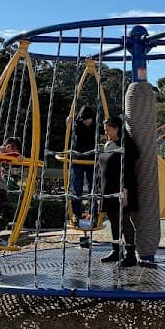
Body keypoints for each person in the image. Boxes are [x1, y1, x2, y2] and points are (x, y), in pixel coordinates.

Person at [98, 116, 139, 268]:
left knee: (124, 219)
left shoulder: (126, 144)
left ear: (116, 128)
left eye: (108, 129)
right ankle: (116, 250)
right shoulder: (108, 144)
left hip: (123, 188)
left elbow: (128, 169)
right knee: (113, 220)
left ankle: (130, 255)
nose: (106, 132)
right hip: (108, 189)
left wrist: (125, 190)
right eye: (105, 130)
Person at [67, 104, 98, 247]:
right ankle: (77, 213)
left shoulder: (95, 125)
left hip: (91, 158)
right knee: (76, 186)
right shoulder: (76, 124)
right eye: (85, 119)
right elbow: (69, 123)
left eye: (89, 119)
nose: (88, 121)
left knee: (93, 187)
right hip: (78, 158)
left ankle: (94, 212)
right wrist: (69, 122)